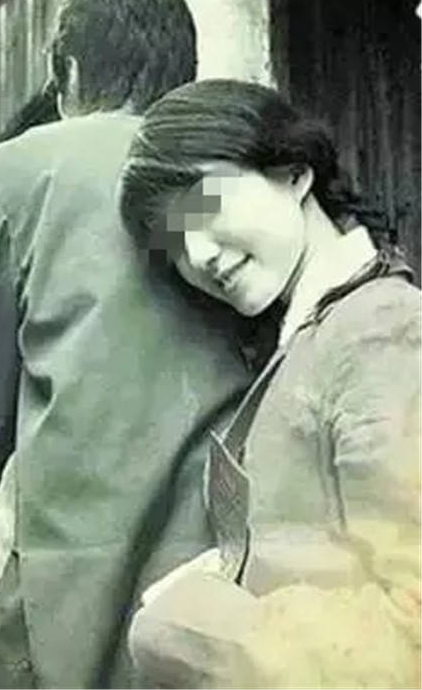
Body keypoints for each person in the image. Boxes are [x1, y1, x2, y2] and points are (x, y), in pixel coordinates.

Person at [0, 0, 254, 688]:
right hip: (222, 591)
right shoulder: (224, 176)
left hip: (68, 603)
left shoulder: (21, 173)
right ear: (183, 75)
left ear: (66, 70)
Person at [118, 78, 421, 688]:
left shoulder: (383, 332)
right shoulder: (317, 332)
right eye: (173, 244)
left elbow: (412, 629)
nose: (199, 255)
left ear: (294, 173)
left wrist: (186, 623)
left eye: (204, 208)